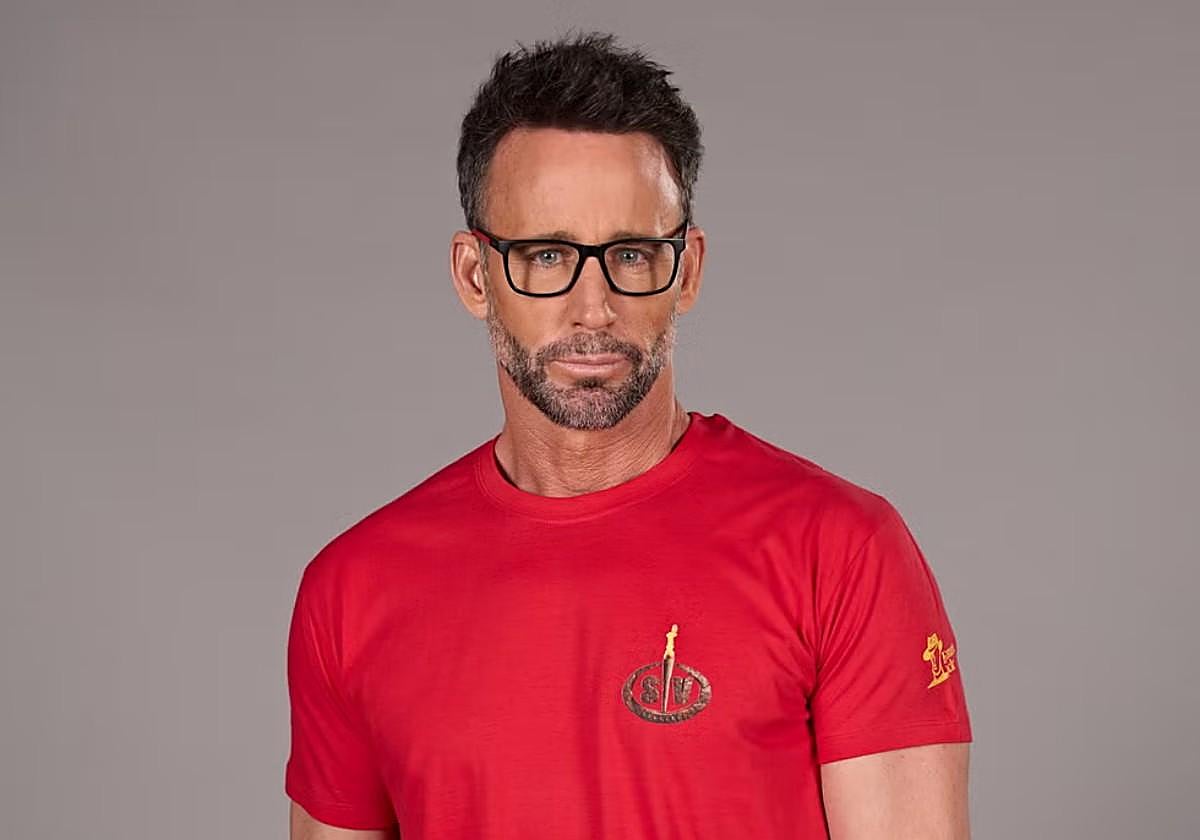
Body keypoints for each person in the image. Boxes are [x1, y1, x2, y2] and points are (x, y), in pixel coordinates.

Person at [284, 31, 972, 840]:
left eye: (633, 254)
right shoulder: (353, 592)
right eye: (546, 255)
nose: (594, 308)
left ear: (687, 269)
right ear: (475, 275)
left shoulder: (842, 551)